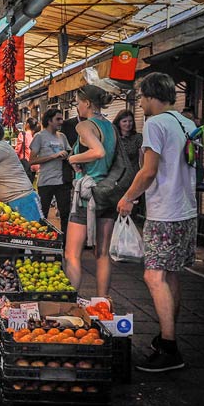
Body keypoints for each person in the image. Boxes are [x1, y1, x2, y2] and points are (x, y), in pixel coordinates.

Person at [117, 73, 197, 372]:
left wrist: (128, 198)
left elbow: (148, 171)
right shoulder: (186, 123)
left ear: (150, 96)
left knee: (153, 277)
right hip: (186, 210)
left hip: (165, 211)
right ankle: (166, 337)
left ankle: (170, 348)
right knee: (171, 275)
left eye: (141, 98)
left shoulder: (155, 123)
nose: (140, 104)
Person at [65, 84, 116, 297]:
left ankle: (69, 302)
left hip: (87, 197)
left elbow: (98, 151)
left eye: (78, 103)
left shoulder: (85, 126)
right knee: (102, 254)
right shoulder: (110, 126)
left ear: (87, 103)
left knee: (72, 254)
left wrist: (73, 158)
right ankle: (102, 303)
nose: (77, 107)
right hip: (108, 194)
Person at [29, 108, 72, 234]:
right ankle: (40, 244)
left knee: (65, 214)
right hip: (46, 182)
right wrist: (53, 156)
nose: (61, 121)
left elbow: (69, 154)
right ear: (49, 120)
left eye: (61, 118)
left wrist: (68, 157)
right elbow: (32, 161)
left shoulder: (62, 137)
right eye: (58, 119)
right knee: (42, 215)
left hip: (62, 182)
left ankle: (65, 246)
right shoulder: (39, 137)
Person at [15, 117, 41, 181]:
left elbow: (18, 150)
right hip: (35, 164)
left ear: (28, 125)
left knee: (24, 187)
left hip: (25, 164)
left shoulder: (23, 134)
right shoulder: (37, 135)